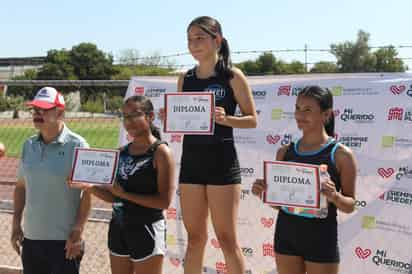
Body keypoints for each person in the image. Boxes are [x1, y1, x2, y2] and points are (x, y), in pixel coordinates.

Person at [176, 16, 257, 274]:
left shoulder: (232, 76)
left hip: (222, 164)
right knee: (195, 240)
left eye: (199, 38)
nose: (193, 44)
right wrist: (173, 117)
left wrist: (227, 118)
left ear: (217, 40)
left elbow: (252, 120)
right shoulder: (184, 78)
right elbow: (184, 120)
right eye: (189, 39)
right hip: (191, 164)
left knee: (227, 239)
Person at [252, 86, 357, 274]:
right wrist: (265, 193)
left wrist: (334, 196)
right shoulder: (284, 152)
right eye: (297, 108)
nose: (300, 115)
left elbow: (350, 205)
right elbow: (280, 205)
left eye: (307, 110)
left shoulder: (341, 155)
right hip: (286, 237)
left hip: (321, 240)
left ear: (326, 115)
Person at [84, 95, 175, 274]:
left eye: (135, 114)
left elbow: (163, 202)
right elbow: (113, 196)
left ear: (150, 117)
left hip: (147, 229)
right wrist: (88, 187)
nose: (129, 121)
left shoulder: (160, 152)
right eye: (125, 116)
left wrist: (124, 194)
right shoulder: (121, 153)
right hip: (118, 229)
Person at [11, 87, 91, 274]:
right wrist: (16, 224)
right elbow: (21, 187)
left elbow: (89, 192)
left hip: (64, 242)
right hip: (31, 240)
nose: (37, 114)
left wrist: (78, 230)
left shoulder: (78, 145)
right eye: (35, 109)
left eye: (44, 109)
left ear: (60, 112)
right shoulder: (28, 145)